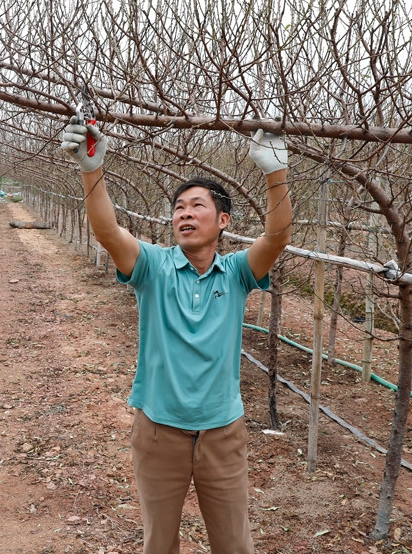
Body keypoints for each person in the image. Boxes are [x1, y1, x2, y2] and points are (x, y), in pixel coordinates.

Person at [61, 117, 292, 554]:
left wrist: (275, 173)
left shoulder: (240, 273)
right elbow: (108, 232)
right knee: (159, 544)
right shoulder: (152, 267)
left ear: (223, 219)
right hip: (158, 432)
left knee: (235, 545)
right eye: (179, 207)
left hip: (222, 433)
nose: (184, 213)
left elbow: (277, 238)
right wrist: (91, 169)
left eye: (196, 206)